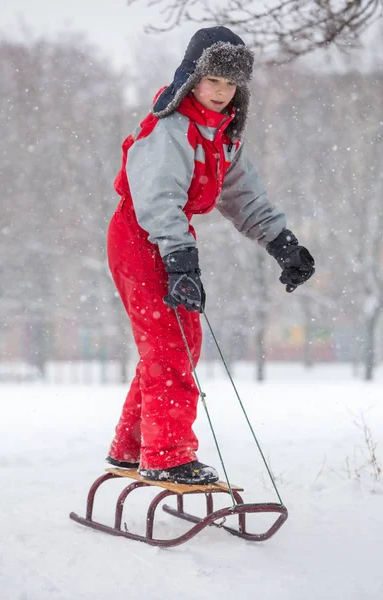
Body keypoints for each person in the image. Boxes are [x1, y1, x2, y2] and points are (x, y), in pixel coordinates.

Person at [106, 26, 315, 485]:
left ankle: (131, 446)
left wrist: (284, 245)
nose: (221, 92)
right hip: (142, 238)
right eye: (212, 81)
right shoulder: (171, 129)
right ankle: (165, 454)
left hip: (171, 240)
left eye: (230, 83)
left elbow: (245, 199)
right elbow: (157, 198)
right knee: (169, 347)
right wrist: (181, 259)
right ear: (192, 78)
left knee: (181, 344)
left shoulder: (222, 137)